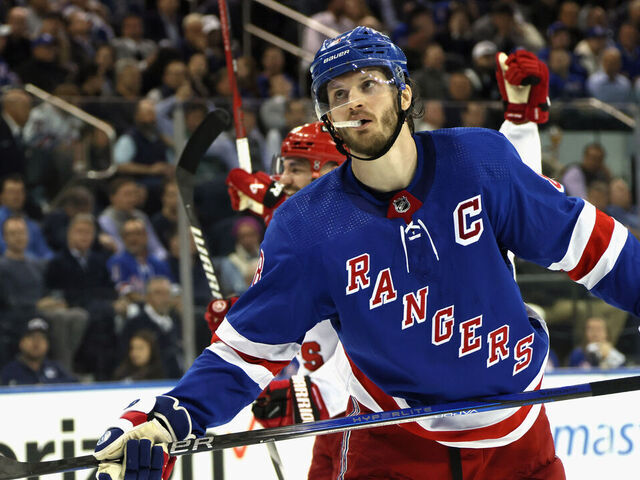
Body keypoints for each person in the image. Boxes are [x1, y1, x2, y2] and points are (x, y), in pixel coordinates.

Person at [94, 27, 640, 480]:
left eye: (368, 84)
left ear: (404, 95)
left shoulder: (481, 162)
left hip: (516, 440)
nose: (353, 100)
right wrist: (165, 420)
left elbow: (598, 252)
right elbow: (247, 355)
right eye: (337, 94)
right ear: (328, 119)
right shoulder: (306, 226)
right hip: (391, 447)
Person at [1, 317, 76, 385]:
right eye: (31, 337)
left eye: (42, 338)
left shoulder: (56, 369)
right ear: (21, 342)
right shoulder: (9, 371)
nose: (37, 342)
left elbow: (76, 387)